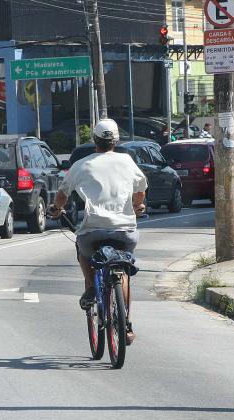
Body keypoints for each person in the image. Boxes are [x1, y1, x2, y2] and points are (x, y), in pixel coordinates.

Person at [48, 118, 148, 343]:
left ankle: (92, 286)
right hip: (125, 230)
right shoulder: (127, 160)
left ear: (95, 141)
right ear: (116, 141)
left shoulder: (82, 164)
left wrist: (57, 209)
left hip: (92, 231)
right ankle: (127, 325)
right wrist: (136, 206)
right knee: (122, 269)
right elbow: (141, 188)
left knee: (83, 250)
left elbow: (63, 193)